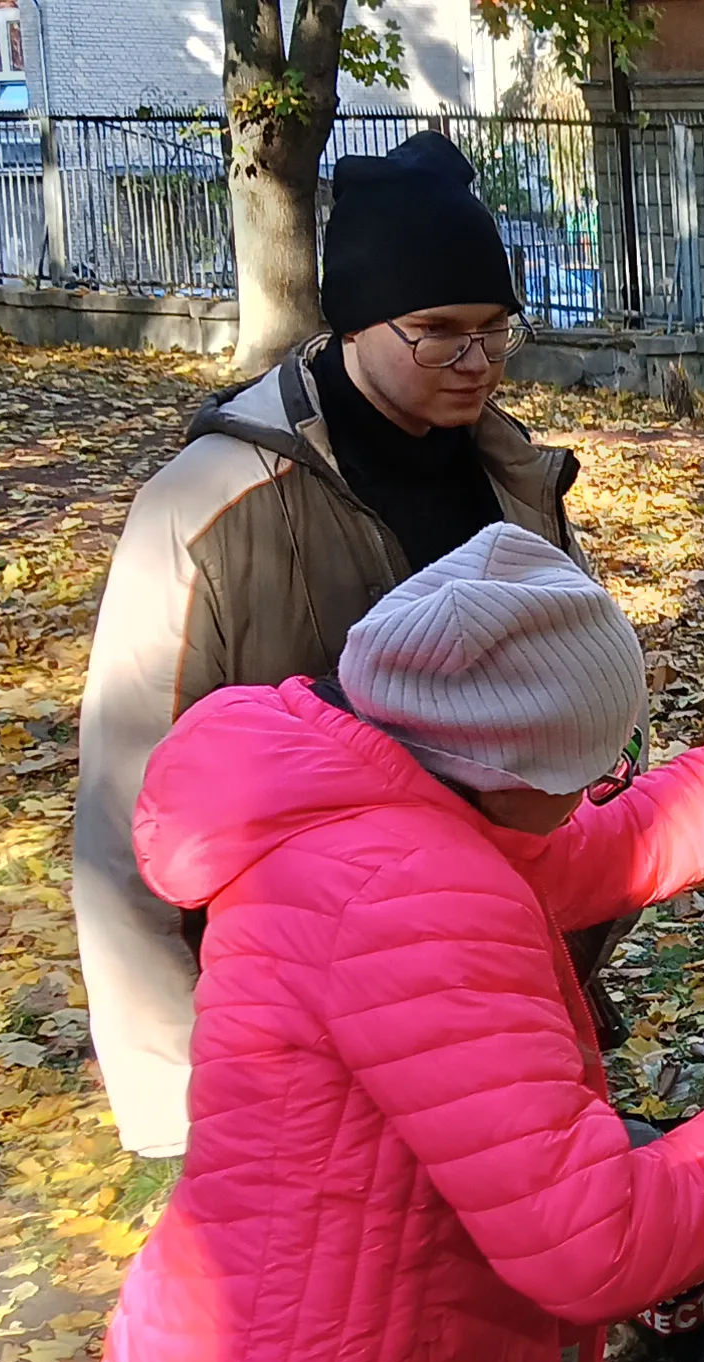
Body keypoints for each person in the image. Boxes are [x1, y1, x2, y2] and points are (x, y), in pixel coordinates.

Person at [90, 523, 704, 1362]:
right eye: (590, 770)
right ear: (502, 768)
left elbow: (639, 834)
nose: (601, 789)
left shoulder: (375, 797)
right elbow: (596, 1239)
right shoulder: (414, 897)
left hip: (316, 1347)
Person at [78, 128, 590, 1159]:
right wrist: (180, 1105)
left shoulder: (514, 478)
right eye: (438, 331)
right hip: (294, 1037)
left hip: (487, 997)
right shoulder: (208, 507)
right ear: (353, 320)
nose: (476, 362)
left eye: (496, 330)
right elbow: (128, 815)